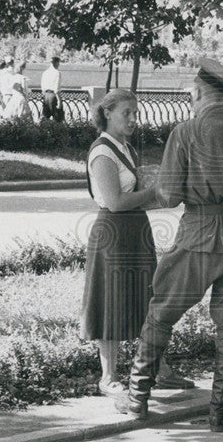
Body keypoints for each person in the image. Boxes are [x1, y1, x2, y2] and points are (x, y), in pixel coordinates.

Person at [119, 57, 223, 431]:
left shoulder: (185, 133)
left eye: (192, 90)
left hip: (197, 235)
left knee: (162, 312)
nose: (190, 95)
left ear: (203, 92)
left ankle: (138, 398)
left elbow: (170, 196)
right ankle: (219, 412)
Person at [79, 89, 195, 395]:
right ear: (107, 113)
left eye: (136, 113)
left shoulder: (125, 148)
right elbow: (116, 202)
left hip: (136, 229)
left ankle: (158, 367)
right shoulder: (102, 151)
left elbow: (134, 194)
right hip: (113, 233)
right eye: (126, 113)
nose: (133, 119)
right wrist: (156, 190)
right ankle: (108, 377)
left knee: (147, 297)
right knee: (112, 299)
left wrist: (163, 194)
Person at [41, 55, 64, 121]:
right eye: (58, 63)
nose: (59, 64)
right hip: (53, 96)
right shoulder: (57, 73)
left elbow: (42, 87)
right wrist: (59, 100)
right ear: (56, 63)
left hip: (46, 96)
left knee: (46, 118)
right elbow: (56, 88)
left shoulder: (45, 73)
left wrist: (44, 95)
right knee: (57, 118)